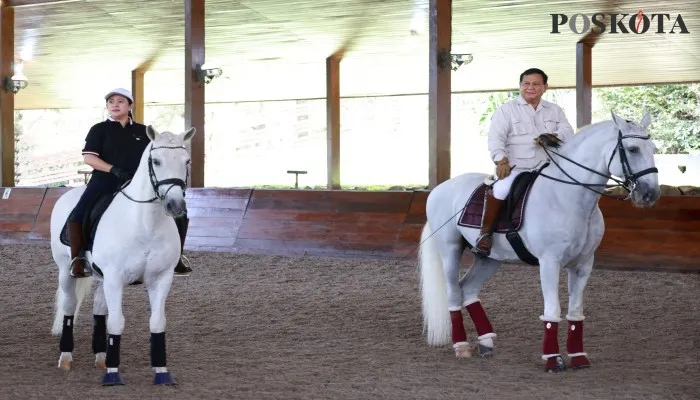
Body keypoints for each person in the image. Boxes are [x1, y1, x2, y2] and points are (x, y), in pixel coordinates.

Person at [67, 88, 193, 278]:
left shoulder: (144, 132)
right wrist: (113, 169)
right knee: (79, 213)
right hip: (105, 180)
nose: (115, 105)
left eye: (120, 101)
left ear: (130, 105)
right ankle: (78, 259)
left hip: (139, 183)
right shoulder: (99, 129)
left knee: (179, 213)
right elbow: (89, 158)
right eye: (111, 102)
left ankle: (177, 258)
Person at [475, 68, 575, 257]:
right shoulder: (507, 110)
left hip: (550, 167)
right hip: (517, 167)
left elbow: (568, 132)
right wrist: (500, 160)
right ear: (520, 86)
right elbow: (496, 138)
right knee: (501, 189)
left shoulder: (555, 110)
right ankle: (484, 235)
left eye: (536, 84)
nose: (530, 88)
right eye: (526, 84)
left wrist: (551, 135)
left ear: (545, 87)